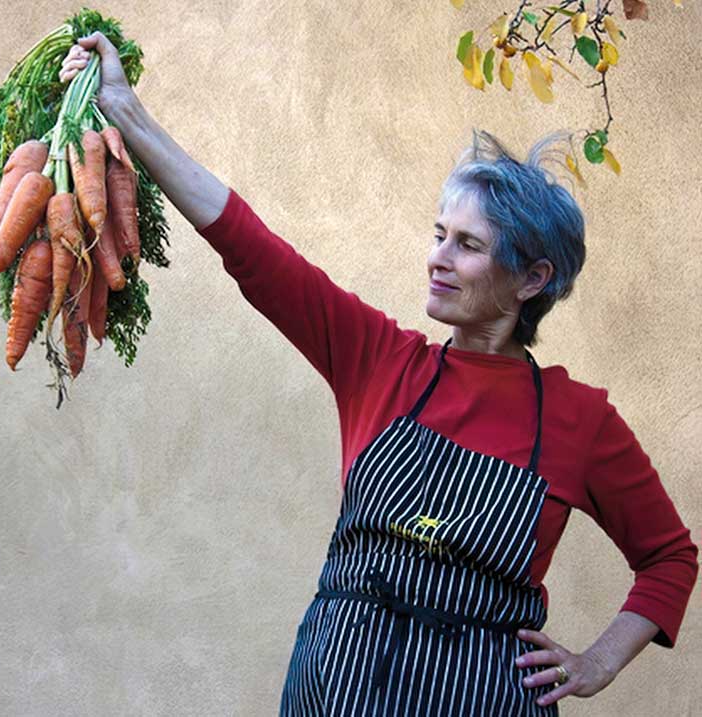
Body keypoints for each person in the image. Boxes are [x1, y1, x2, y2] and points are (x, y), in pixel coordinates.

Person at [61, 34, 699, 716]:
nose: (438, 257)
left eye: (469, 244)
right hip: (333, 692)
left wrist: (596, 661)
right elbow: (246, 240)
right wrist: (126, 112)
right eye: (438, 234)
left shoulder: (581, 420)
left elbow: (669, 557)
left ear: (532, 278)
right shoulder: (377, 357)